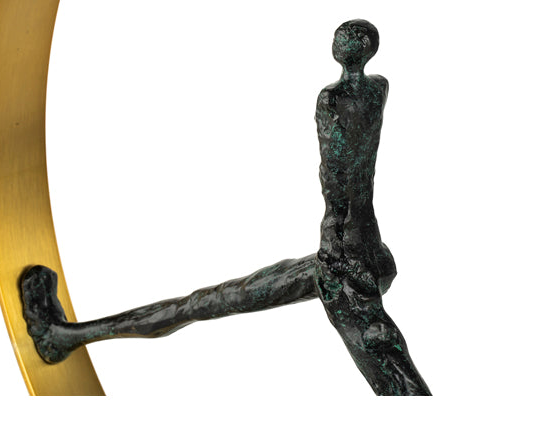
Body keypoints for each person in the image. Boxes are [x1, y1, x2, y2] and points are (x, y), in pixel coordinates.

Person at [22, 20, 431, 395]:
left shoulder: (332, 99)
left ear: (341, 51)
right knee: (208, 302)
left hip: (340, 265)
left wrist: (333, 252)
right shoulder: (378, 88)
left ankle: (61, 338)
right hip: (370, 254)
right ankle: (65, 338)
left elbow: (333, 180)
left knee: (204, 304)